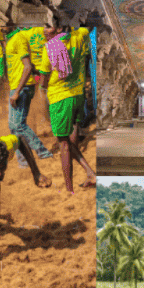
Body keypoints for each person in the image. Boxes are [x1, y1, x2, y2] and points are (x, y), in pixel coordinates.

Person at [41, 26, 96, 192]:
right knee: (71, 139)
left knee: (63, 144)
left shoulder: (50, 48)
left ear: (59, 27)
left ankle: (70, 189)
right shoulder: (81, 35)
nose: (44, 30)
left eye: (48, 27)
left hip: (60, 98)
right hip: (78, 94)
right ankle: (89, 174)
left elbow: (43, 81)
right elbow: (86, 30)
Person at [4, 24, 54, 167]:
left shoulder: (19, 38)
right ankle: (23, 160)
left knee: (18, 125)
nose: (0, 27)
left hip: (22, 88)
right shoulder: (12, 38)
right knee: (14, 127)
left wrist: (17, 92)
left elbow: (27, 66)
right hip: (18, 87)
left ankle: (43, 152)